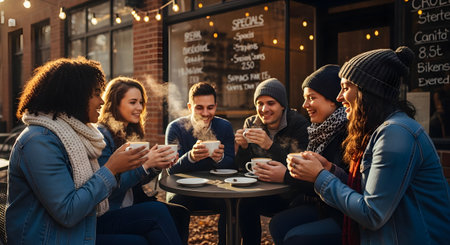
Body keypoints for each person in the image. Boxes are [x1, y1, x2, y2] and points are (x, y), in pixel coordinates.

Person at [6, 57, 182, 245]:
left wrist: (146, 166)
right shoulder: (39, 142)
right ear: (75, 96)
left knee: (159, 212)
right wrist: (112, 169)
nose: (102, 100)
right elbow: (68, 212)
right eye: (96, 93)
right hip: (52, 236)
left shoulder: (79, 135)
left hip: (78, 223)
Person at [288, 46, 450, 245]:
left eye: (346, 88)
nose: (339, 97)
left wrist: (320, 177)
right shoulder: (379, 130)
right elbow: (369, 189)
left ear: (367, 91)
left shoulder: (395, 133)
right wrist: (329, 169)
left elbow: (372, 213)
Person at [97, 76, 190, 244]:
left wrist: (155, 166)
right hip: (109, 212)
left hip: (129, 204)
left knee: (180, 213)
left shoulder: (129, 133)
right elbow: (108, 187)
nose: (139, 108)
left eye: (141, 102)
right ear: (115, 104)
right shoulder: (102, 136)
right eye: (133, 102)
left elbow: (135, 180)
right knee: (157, 211)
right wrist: (146, 164)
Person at [269, 65, 348, 245]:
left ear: (333, 101)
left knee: (295, 238)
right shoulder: (319, 130)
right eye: (305, 99)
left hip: (345, 214)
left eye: (311, 98)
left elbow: (344, 183)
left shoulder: (346, 132)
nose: (305, 105)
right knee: (277, 224)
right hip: (322, 205)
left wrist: (286, 176)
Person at [234, 78, 310, 244]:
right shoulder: (251, 123)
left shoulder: (299, 124)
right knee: (242, 203)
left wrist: (269, 145)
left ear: (283, 105)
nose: (264, 109)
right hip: (260, 190)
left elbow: (301, 166)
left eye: (270, 103)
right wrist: (244, 148)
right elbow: (242, 168)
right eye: (259, 104)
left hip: (291, 193)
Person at [165, 82, 235, 245]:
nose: (205, 113)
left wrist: (219, 159)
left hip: (218, 190)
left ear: (216, 106)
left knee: (235, 204)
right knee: (176, 205)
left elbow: (233, 165)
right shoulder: (175, 128)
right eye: (199, 108)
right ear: (190, 107)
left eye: (210, 107)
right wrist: (191, 157)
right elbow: (171, 169)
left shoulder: (224, 127)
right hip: (183, 191)